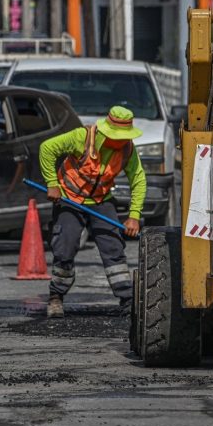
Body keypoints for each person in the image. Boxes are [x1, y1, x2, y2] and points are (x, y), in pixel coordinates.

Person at [39, 106, 146, 318]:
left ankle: (127, 301)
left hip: (101, 200)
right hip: (70, 198)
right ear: (107, 132)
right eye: (119, 137)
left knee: (113, 248)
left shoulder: (127, 149)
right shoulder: (82, 137)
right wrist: (52, 184)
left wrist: (134, 216)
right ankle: (56, 297)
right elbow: (46, 148)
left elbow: (139, 179)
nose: (123, 140)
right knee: (65, 247)